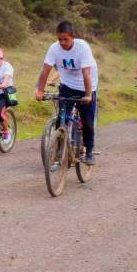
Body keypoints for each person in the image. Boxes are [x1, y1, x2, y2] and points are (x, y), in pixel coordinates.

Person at [35, 21, 98, 166]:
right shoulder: (54, 49)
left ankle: (88, 151)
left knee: (87, 121)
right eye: (60, 39)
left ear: (72, 37)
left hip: (86, 86)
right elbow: (45, 71)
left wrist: (88, 95)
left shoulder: (82, 48)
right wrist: (40, 90)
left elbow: (86, 74)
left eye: (66, 39)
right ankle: (58, 149)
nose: (62, 43)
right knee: (61, 118)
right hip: (67, 85)